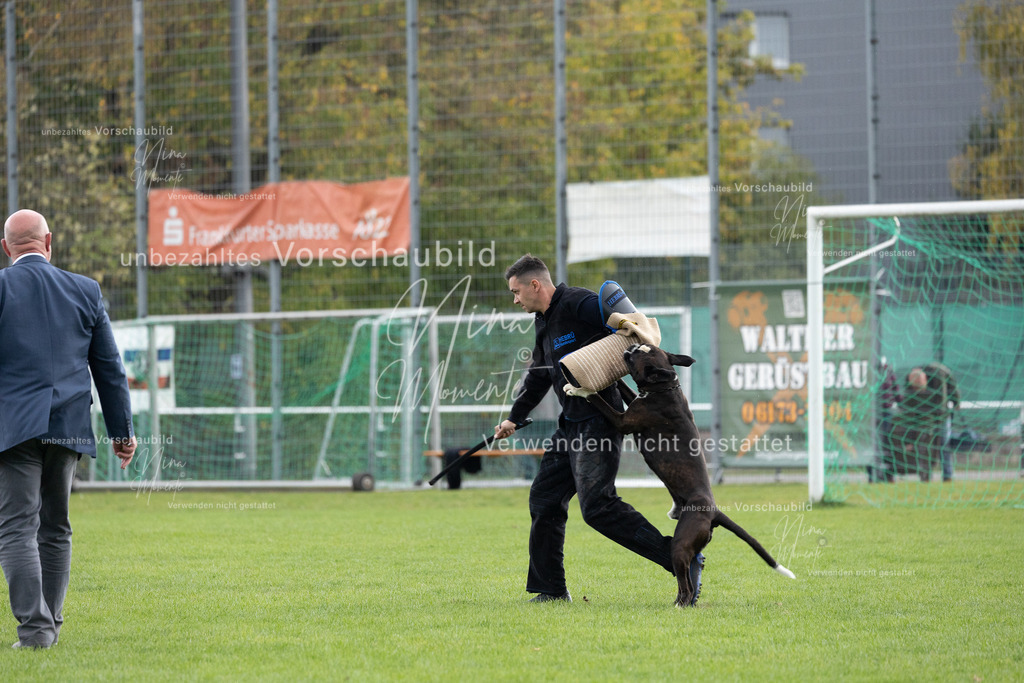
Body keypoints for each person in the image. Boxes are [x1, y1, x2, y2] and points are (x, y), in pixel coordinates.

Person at [493, 254, 703, 604]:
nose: (515, 300)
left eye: (516, 291)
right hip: (570, 426)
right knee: (544, 499)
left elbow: (631, 331)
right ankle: (551, 590)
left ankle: (680, 557)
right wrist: (515, 416)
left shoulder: (580, 303)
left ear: (535, 285)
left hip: (600, 423)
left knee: (598, 508)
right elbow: (540, 374)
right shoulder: (543, 321)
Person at [0, 209, 136, 649]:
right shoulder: (85, 290)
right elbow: (110, 370)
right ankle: (50, 625)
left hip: (14, 427)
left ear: (6, 248)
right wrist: (123, 433)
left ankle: (36, 631)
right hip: (68, 424)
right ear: (49, 241)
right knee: (55, 526)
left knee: (18, 526)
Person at [897, 363, 960, 482]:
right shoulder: (909, 383)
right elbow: (908, 413)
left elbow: (941, 406)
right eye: (916, 390)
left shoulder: (939, 377)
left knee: (943, 443)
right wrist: (909, 439)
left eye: (921, 389)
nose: (919, 392)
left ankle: (948, 475)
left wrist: (956, 402)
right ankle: (925, 476)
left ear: (926, 380)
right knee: (923, 444)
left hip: (941, 415)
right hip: (922, 415)